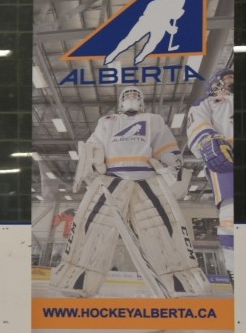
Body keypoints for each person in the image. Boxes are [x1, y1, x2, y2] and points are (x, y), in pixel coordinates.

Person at [51, 87, 210, 298]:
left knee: (163, 229)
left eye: (136, 95)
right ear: (120, 101)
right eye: (127, 95)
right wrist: (90, 162)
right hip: (111, 179)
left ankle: (181, 282)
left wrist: (174, 168)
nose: (131, 98)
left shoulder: (153, 119)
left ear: (142, 102)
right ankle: (76, 280)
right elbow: (93, 145)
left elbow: (166, 147)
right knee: (92, 229)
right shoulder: (107, 120)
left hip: (146, 179)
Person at [186, 68, 234, 283]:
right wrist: (208, 142)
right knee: (231, 216)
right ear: (215, 83)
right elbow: (197, 126)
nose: (232, 80)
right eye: (228, 78)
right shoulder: (208, 102)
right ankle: (236, 270)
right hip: (228, 161)